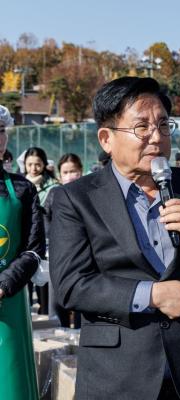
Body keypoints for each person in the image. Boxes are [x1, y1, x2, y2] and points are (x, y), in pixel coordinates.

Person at [49, 77, 180, 400]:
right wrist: (153, 295)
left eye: (162, 125)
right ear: (106, 138)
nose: (156, 138)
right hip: (117, 377)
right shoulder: (75, 199)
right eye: (141, 127)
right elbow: (71, 285)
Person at [0, 104, 46, 400]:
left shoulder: (22, 189)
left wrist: (5, 284)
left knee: (11, 385)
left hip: (9, 306)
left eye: (1, 131)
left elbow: (33, 250)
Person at [43, 153, 84, 328]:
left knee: (84, 297)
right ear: (59, 175)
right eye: (65, 172)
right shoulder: (55, 193)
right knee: (57, 300)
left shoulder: (87, 192)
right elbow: (45, 218)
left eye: (73, 171)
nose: (69, 175)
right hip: (58, 255)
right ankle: (60, 335)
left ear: (80, 171)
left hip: (84, 256)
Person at [24, 146, 58, 315]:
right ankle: (27, 307)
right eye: (29, 164)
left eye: (37, 164)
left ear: (44, 164)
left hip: (46, 239)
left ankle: (46, 311)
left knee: (44, 278)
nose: (33, 168)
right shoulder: (20, 185)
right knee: (25, 277)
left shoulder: (53, 187)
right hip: (24, 239)